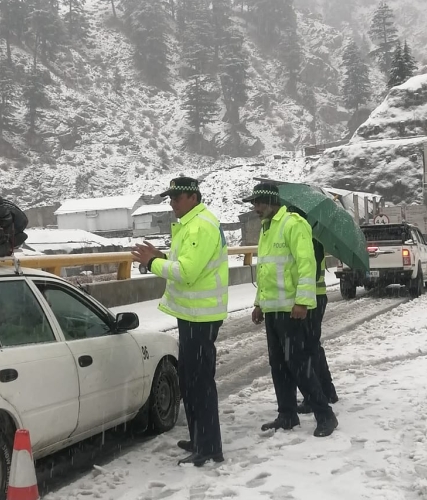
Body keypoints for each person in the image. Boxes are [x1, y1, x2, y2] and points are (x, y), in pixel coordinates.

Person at [131, 176, 228, 467]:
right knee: (189, 380)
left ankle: (210, 446)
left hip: (201, 316)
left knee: (200, 384)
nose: (172, 203)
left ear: (193, 197)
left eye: (176, 198)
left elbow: (186, 271)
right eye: (170, 198)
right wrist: (161, 256)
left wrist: (152, 263)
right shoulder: (191, 225)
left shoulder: (199, 225)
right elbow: (181, 258)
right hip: (192, 315)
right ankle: (200, 436)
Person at [244, 183, 338, 438]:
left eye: (258, 203)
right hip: (273, 309)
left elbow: (306, 265)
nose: (255, 208)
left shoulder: (293, 224)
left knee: (298, 364)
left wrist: (302, 302)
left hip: (290, 309)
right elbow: (265, 271)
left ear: (272, 201)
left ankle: (325, 414)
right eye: (253, 203)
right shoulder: (266, 229)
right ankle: (287, 414)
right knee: (278, 365)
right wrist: (258, 303)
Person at [298, 238, 339, 413]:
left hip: (312, 298)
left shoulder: (310, 240)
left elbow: (311, 272)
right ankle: (327, 390)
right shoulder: (315, 238)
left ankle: (316, 395)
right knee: (313, 346)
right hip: (315, 296)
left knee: (309, 349)